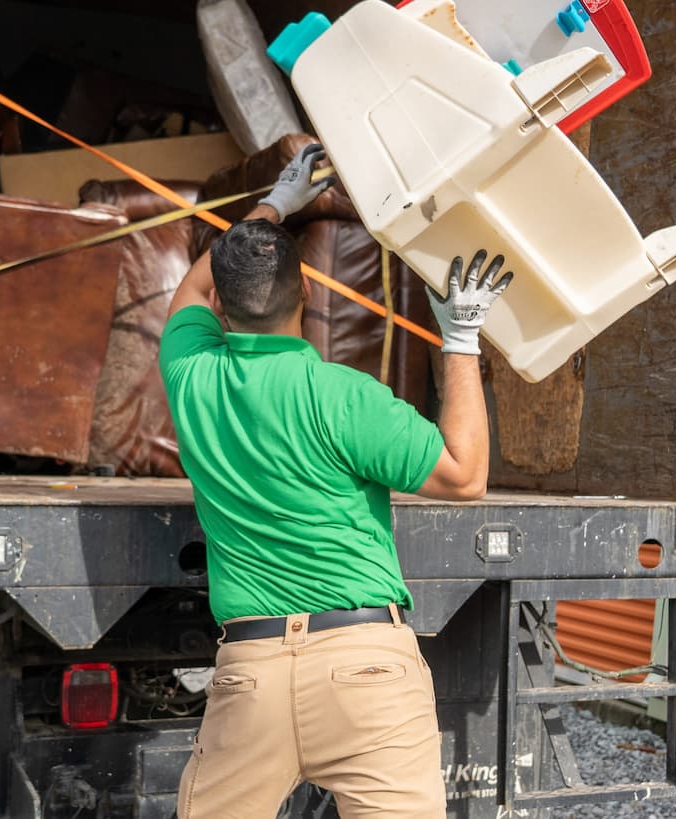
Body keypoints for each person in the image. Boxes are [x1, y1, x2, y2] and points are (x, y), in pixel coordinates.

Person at [160, 143, 512, 819]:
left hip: (252, 677)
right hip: (366, 669)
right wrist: (462, 338)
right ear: (311, 295)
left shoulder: (191, 375)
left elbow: (191, 288)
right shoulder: (348, 397)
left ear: (221, 315)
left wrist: (273, 208)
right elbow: (465, 477)